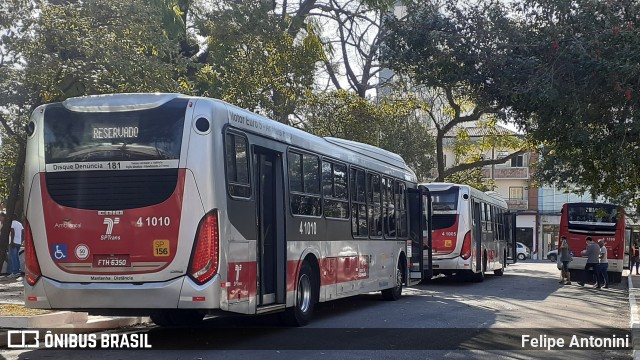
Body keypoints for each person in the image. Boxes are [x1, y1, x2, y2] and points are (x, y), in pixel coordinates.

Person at [7, 214, 24, 279]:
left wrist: (12, 241)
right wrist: (21, 240)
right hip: (18, 242)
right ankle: (17, 271)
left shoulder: (12, 223)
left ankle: (14, 272)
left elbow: (12, 231)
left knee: (13, 258)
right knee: (16, 257)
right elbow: (23, 232)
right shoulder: (20, 224)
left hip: (13, 243)